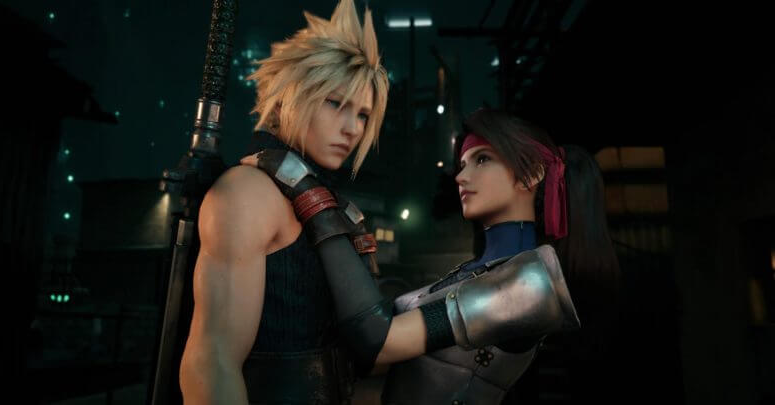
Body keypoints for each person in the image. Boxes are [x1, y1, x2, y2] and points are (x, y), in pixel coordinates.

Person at [244, 107, 620, 404]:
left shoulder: (531, 285)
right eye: (463, 164)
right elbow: (370, 340)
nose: (461, 176)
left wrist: (309, 194)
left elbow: (378, 341)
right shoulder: (480, 271)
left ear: (530, 175)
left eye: (483, 159)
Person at [177, 0, 388, 403]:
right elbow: (212, 363)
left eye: (363, 115)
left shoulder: (322, 201)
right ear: (289, 98)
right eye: (335, 103)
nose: (352, 128)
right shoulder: (248, 192)